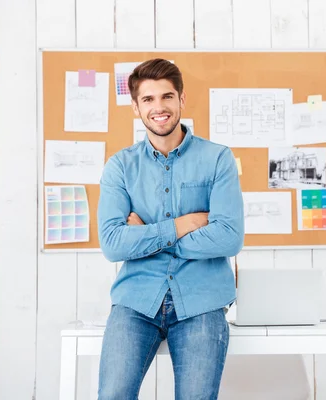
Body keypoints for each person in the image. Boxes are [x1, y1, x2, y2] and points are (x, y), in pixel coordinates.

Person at [96, 58, 244, 399]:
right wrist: (183, 224)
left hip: (202, 303)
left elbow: (228, 237)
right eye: (148, 99)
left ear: (181, 99)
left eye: (166, 96)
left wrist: (148, 234)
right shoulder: (120, 166)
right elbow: (114, 244)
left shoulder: (218, 159)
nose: (158, 107)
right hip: (136, 302)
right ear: (135, 107)